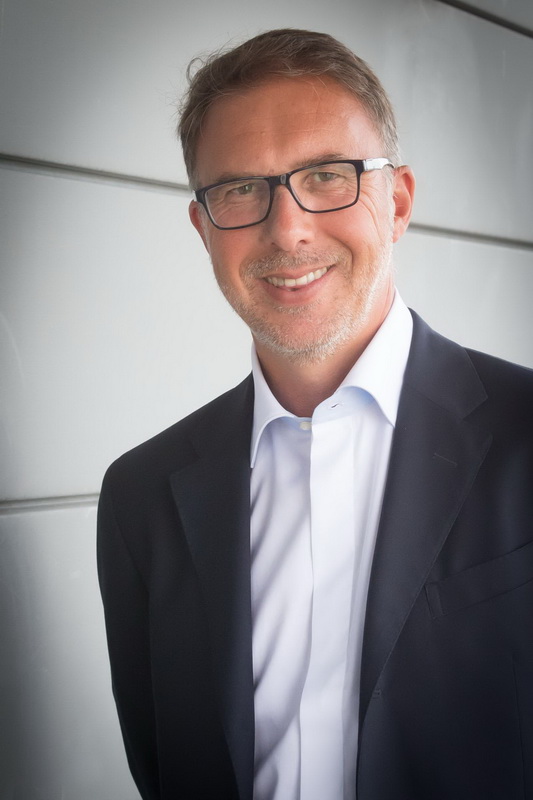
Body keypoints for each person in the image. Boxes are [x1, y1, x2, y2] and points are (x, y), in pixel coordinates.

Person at [97, 28, 533, 800]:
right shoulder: (141, 496)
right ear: (203, 229)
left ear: (397, 202)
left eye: (327, 176)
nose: (287, 228)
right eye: (240, 189)